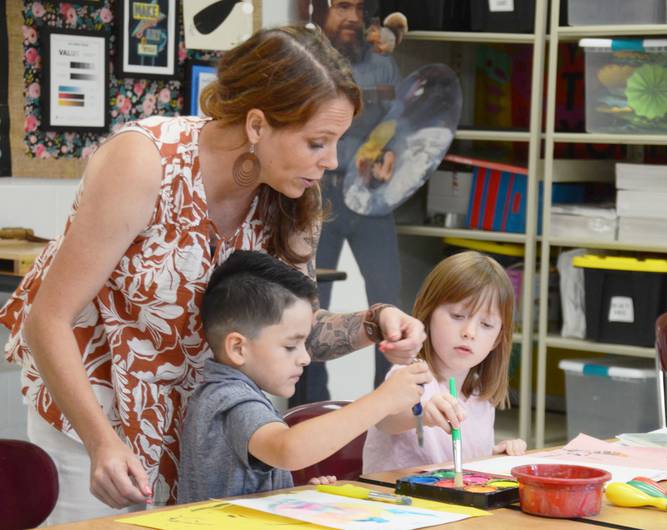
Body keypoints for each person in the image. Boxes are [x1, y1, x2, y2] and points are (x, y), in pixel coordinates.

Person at [0, 26, 425, 524]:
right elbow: (47, 319)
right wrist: (101, 442)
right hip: (94, 411)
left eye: (336, 143)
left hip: (202, 423)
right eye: (317, 142)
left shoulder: (293, 200)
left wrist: (375, 323)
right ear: (257, 125)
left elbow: (295, 331)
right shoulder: (145, 161)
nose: (331, 162)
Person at [177, 250, 430, 503]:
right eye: (290, 346)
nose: (306, 358)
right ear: (238, 348)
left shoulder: (227, 392)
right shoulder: (231, 399)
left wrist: (294, 494)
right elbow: (287, 448)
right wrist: (383, 400)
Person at [291, 0, 405, 406]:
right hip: (320, 191)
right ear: (318, 10)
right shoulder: (304, 63)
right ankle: (312, 409)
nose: (353, 18)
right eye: (342, 6)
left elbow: (397, 123)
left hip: (373, 196)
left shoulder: (383, 64)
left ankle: (388, 407)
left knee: (390, 301)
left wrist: (391, 152)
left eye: (358, 8)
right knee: (311, 304)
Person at [362, 251, 528, 474]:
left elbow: (462, 466)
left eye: (486, 325)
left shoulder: (480, 396)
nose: (469, 332)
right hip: (397, 503)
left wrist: (495, 458)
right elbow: (385, 419)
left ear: (498, 338)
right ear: (427, 313)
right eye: (458, 316)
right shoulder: (409, 376)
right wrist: (422, 415)